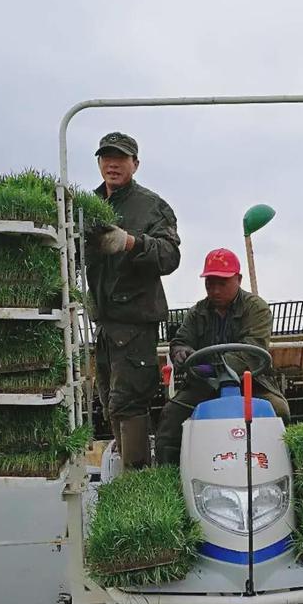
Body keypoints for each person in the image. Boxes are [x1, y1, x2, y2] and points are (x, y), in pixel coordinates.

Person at [85, 132, 180, 469]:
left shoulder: (151, 205)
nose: (113, 163)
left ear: (135, 164)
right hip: (105, 325)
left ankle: (137, 478)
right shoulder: (89, 206)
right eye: (106, 157)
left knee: (129, 402)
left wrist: (131, 243)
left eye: (121, 158)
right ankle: (127, 469)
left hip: (136, 322)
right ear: (98, 162)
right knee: (109, 401)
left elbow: (170, 256)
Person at [155, 248, 290, 465]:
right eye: (210, 283)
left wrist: (212, 365)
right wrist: (180, 351)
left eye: (222, 283)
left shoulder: (257, 309)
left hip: (250, 381)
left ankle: (282, 467)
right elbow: (181, 340)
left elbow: (251, 352)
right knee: (171, 415)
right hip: (204, 383)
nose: (215, 290)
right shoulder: (197, 312)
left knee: (279, 410)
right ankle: (168, 476)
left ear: (238, 279)